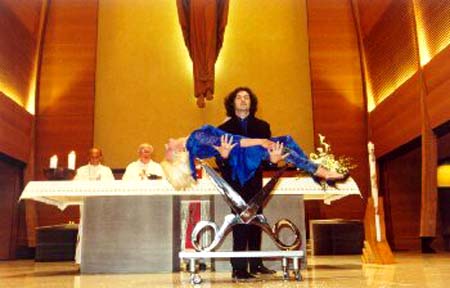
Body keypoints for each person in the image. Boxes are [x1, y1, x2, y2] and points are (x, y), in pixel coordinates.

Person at [160, 87, 345, 280]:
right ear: (177, 154)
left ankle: (256, 264)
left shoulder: (198, 140)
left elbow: (231, 142)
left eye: (245, 97)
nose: (167, 143)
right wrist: (261, 142)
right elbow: (235, 143)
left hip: (252, 163)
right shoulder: (195, 140)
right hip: (241, 166)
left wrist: (271, 158)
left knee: (256, 214)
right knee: (241, 218)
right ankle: (239, 268)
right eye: (168, 149)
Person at [73, 147, 115, 265]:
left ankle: (103, 259)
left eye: (97, 156)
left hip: (101, 204)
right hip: (86, 203)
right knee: (85, 229)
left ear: (101, 157)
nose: (95, 159)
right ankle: (82, 259)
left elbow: (112, 187)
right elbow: (74, 186)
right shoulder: (81, 170)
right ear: (88, 157)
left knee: (102, 229)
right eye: (92, 156)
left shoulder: (106, 171)